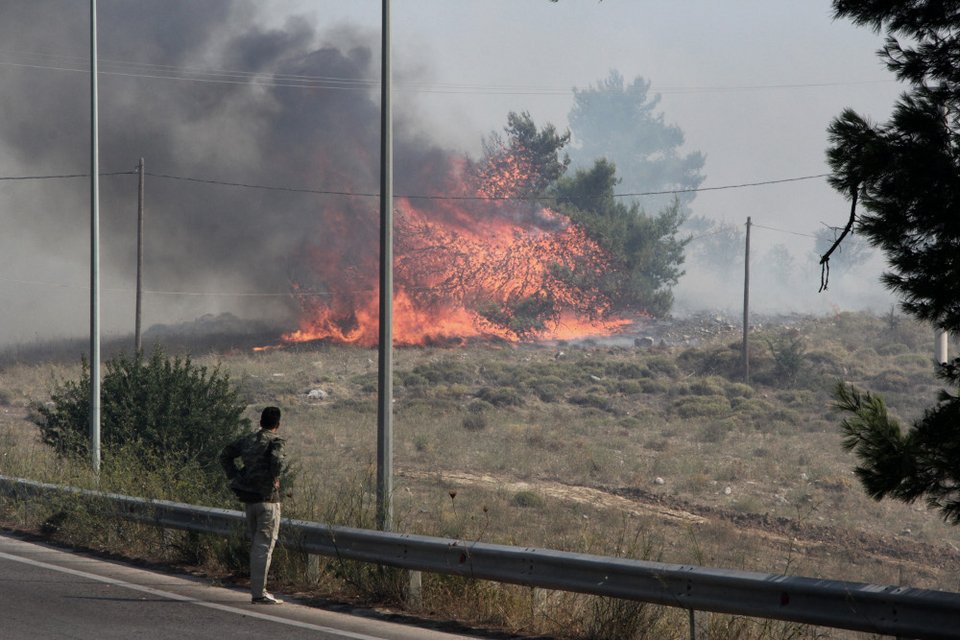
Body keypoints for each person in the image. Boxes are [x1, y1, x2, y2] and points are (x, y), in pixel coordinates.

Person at [219, 406, 286, 605]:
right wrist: (275, 477)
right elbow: (276, 461)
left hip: (250, 500)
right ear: (277, 424)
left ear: (261, 421)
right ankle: (259, 593)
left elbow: (225, 455)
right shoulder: (275, 441)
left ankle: (258, 590)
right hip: (268, 500)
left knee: (256, 545)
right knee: (263, 547)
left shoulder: (248, 440)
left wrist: (237, 476)